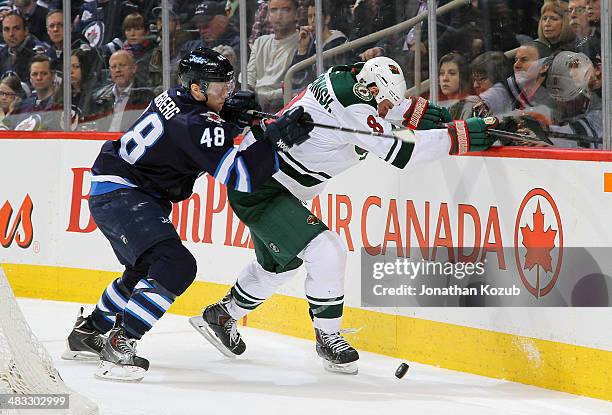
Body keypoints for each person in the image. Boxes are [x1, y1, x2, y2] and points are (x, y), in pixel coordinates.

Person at [190, 56, 497, 375]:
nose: (383, 110)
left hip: (267, 181)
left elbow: (373, 102)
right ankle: (328, 335)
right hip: (262, 187)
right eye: (384, 103)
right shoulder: (357, 108)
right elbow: (404, 153)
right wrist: (459, 136)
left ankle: (222, 315)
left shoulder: (346, 78)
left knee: (280, 266)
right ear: (371, 89)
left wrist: (410, 110)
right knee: (327, 248)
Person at [62, 47, 315, 382]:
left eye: (227, 84)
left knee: (143, 269)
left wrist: (229, 115)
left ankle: (89, 331)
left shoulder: (178, 98)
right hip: (124, 192)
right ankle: (119, 344)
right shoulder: (197, 123)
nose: (226, 92)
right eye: (218, 87)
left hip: (117, 187)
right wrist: (275, 143)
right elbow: (239, 175)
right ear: (197, 89)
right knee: (176, 264)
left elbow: (193, 127)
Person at [246, 0, 299, 112]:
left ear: (296, 14)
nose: (278, 16)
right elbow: (249, 79)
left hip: (285, 106)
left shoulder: (302, 40)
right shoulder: (260, 42)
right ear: (268, 15)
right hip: (256, 107)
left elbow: (297, 85)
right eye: (274, 10)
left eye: (286, 9)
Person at [88, 50, 155, 132]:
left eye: (122, 65)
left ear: (134, 68)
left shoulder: (146, 97)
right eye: (113, 67)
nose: (117, 70)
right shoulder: (98, 97)